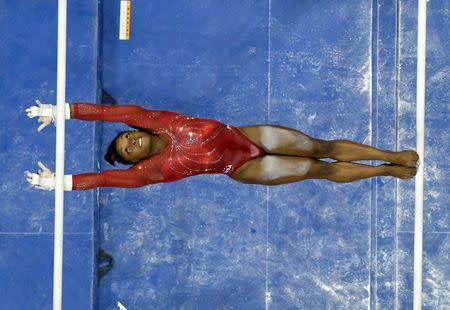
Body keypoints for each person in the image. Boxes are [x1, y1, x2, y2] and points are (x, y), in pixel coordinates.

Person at [25, 100, 419, 191]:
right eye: (129, 149)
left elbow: (109, 113)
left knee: (321, 145)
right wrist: (59, 183)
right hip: (242, 168)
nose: (130, 140)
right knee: (323, 168)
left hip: (249, 136)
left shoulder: (152, 119)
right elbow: (107, 179)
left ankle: (391, 154)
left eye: (126, 137)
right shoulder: (150, 171)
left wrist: (64, 111)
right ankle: (385, 171)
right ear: (138, 159)